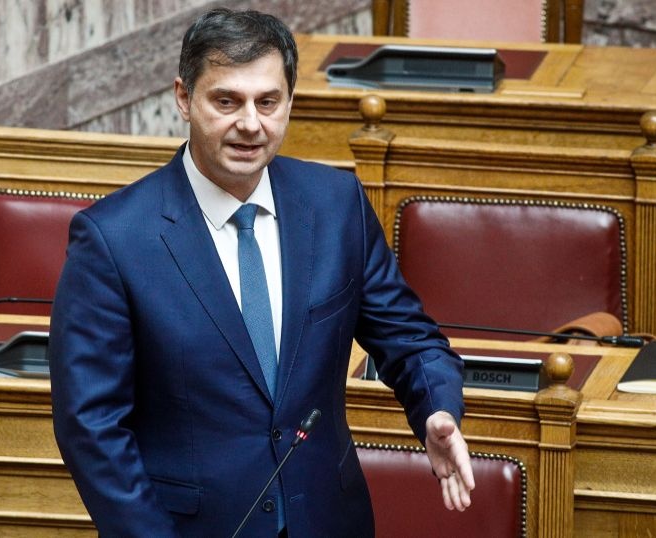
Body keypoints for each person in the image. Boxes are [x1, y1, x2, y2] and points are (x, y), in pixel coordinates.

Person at [49, 7, 474, 537]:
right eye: (227, 101)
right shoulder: (113, 239)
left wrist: (436, 409)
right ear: (183, 98)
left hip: (328, 520)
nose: (251, 124)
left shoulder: (336, 204)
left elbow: (409, 339)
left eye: (267, 102)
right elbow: (91, 426)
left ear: (289, 102)